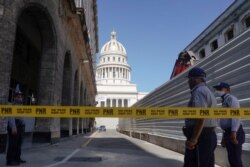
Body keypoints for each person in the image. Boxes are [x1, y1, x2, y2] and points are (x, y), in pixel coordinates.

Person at [183, 67, 217, 167]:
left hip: (201, 137)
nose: (188, 82)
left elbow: (200, 117)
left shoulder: (199, 92)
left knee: (194, 163)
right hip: (208, 135)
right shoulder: (207, 91)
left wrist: (194, 139)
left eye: (189, 79)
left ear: (195, 79)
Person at [213, 82, 245, 167]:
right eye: (217, 89)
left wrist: (234, 132)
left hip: (235, 132)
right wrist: (224, 137)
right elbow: (225, 121)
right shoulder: (224, 101)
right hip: (228, 132)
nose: (218, 91)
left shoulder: (231, 99)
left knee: (236, 159)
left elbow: (236, 115)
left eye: (220, 89)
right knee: (231, 158)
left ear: (228, 90)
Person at [6, 84, 26, 166]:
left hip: (20, 126)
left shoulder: (21, 106)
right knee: (12, 143)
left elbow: (22, 117)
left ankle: (17, 158)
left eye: (21, 96)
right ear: (14, 97)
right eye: (18, 96)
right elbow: (11, 117)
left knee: (19, 143)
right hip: (15, 125)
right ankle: (9, 161)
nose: (20, 98)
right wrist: (13, 127)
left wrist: (23, 125)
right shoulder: (12, 105)